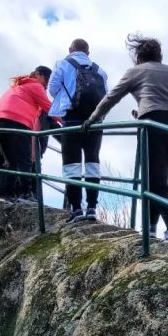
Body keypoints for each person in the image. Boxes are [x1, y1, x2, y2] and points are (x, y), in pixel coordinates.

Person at [83, 34, 168, 242]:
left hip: (153, 126)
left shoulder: (135, 72)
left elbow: (111, 98)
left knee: (157, 180)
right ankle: (151, 228)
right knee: (157, 179)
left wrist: (92, 120)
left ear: (138, 57)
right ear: (159, 56)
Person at [48, 38, 108, 223]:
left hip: (72, 119)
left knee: (71, 165)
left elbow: (52, 89)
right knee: (92, 164)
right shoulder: (100, 70)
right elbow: (106, 95)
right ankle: (91, 208)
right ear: (88, 52)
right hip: (95, 121)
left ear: (70, 49)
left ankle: (76, 209)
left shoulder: (63, 64)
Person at [0, 66, 52, 203]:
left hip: (0, 122)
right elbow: (51, 109)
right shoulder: (35, 85)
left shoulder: (18, 87)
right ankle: (26, 194)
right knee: (25, 159)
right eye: (46, 80)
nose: (46, 84)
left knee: (12, 161)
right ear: (38, 74)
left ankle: (9, 195)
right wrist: (69, 122)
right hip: (17, 121)